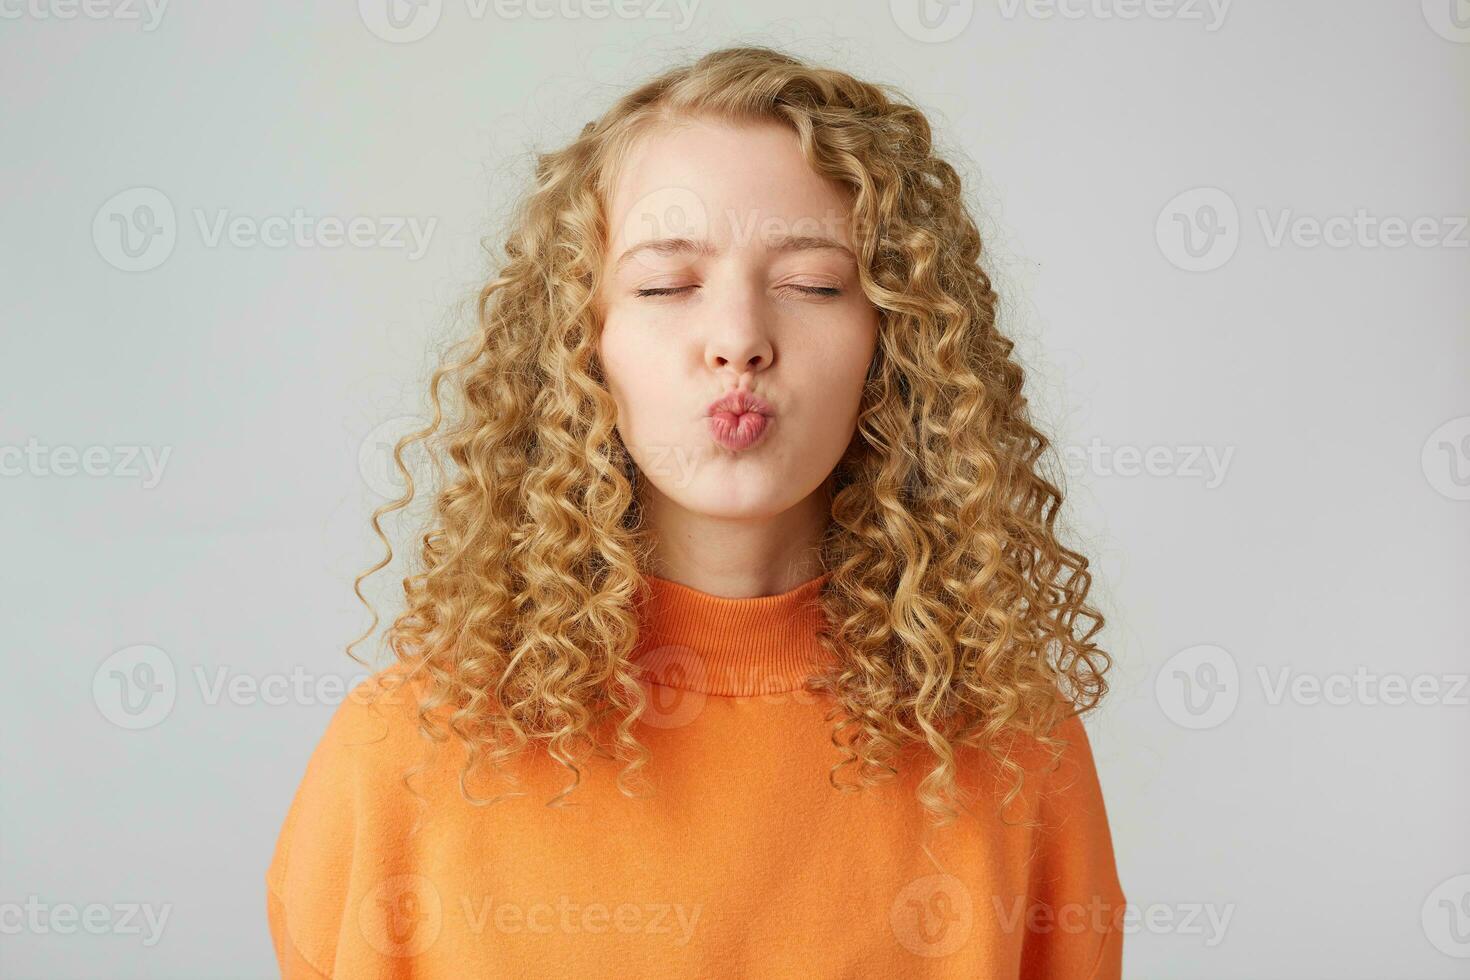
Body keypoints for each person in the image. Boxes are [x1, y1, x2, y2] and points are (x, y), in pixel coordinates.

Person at [266, 45, 1126, 978]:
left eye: (811, 284)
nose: (740, 341)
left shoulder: (1011, 750)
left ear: (898, 344)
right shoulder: (405, 751)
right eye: (667, 286)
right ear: (578, 346)